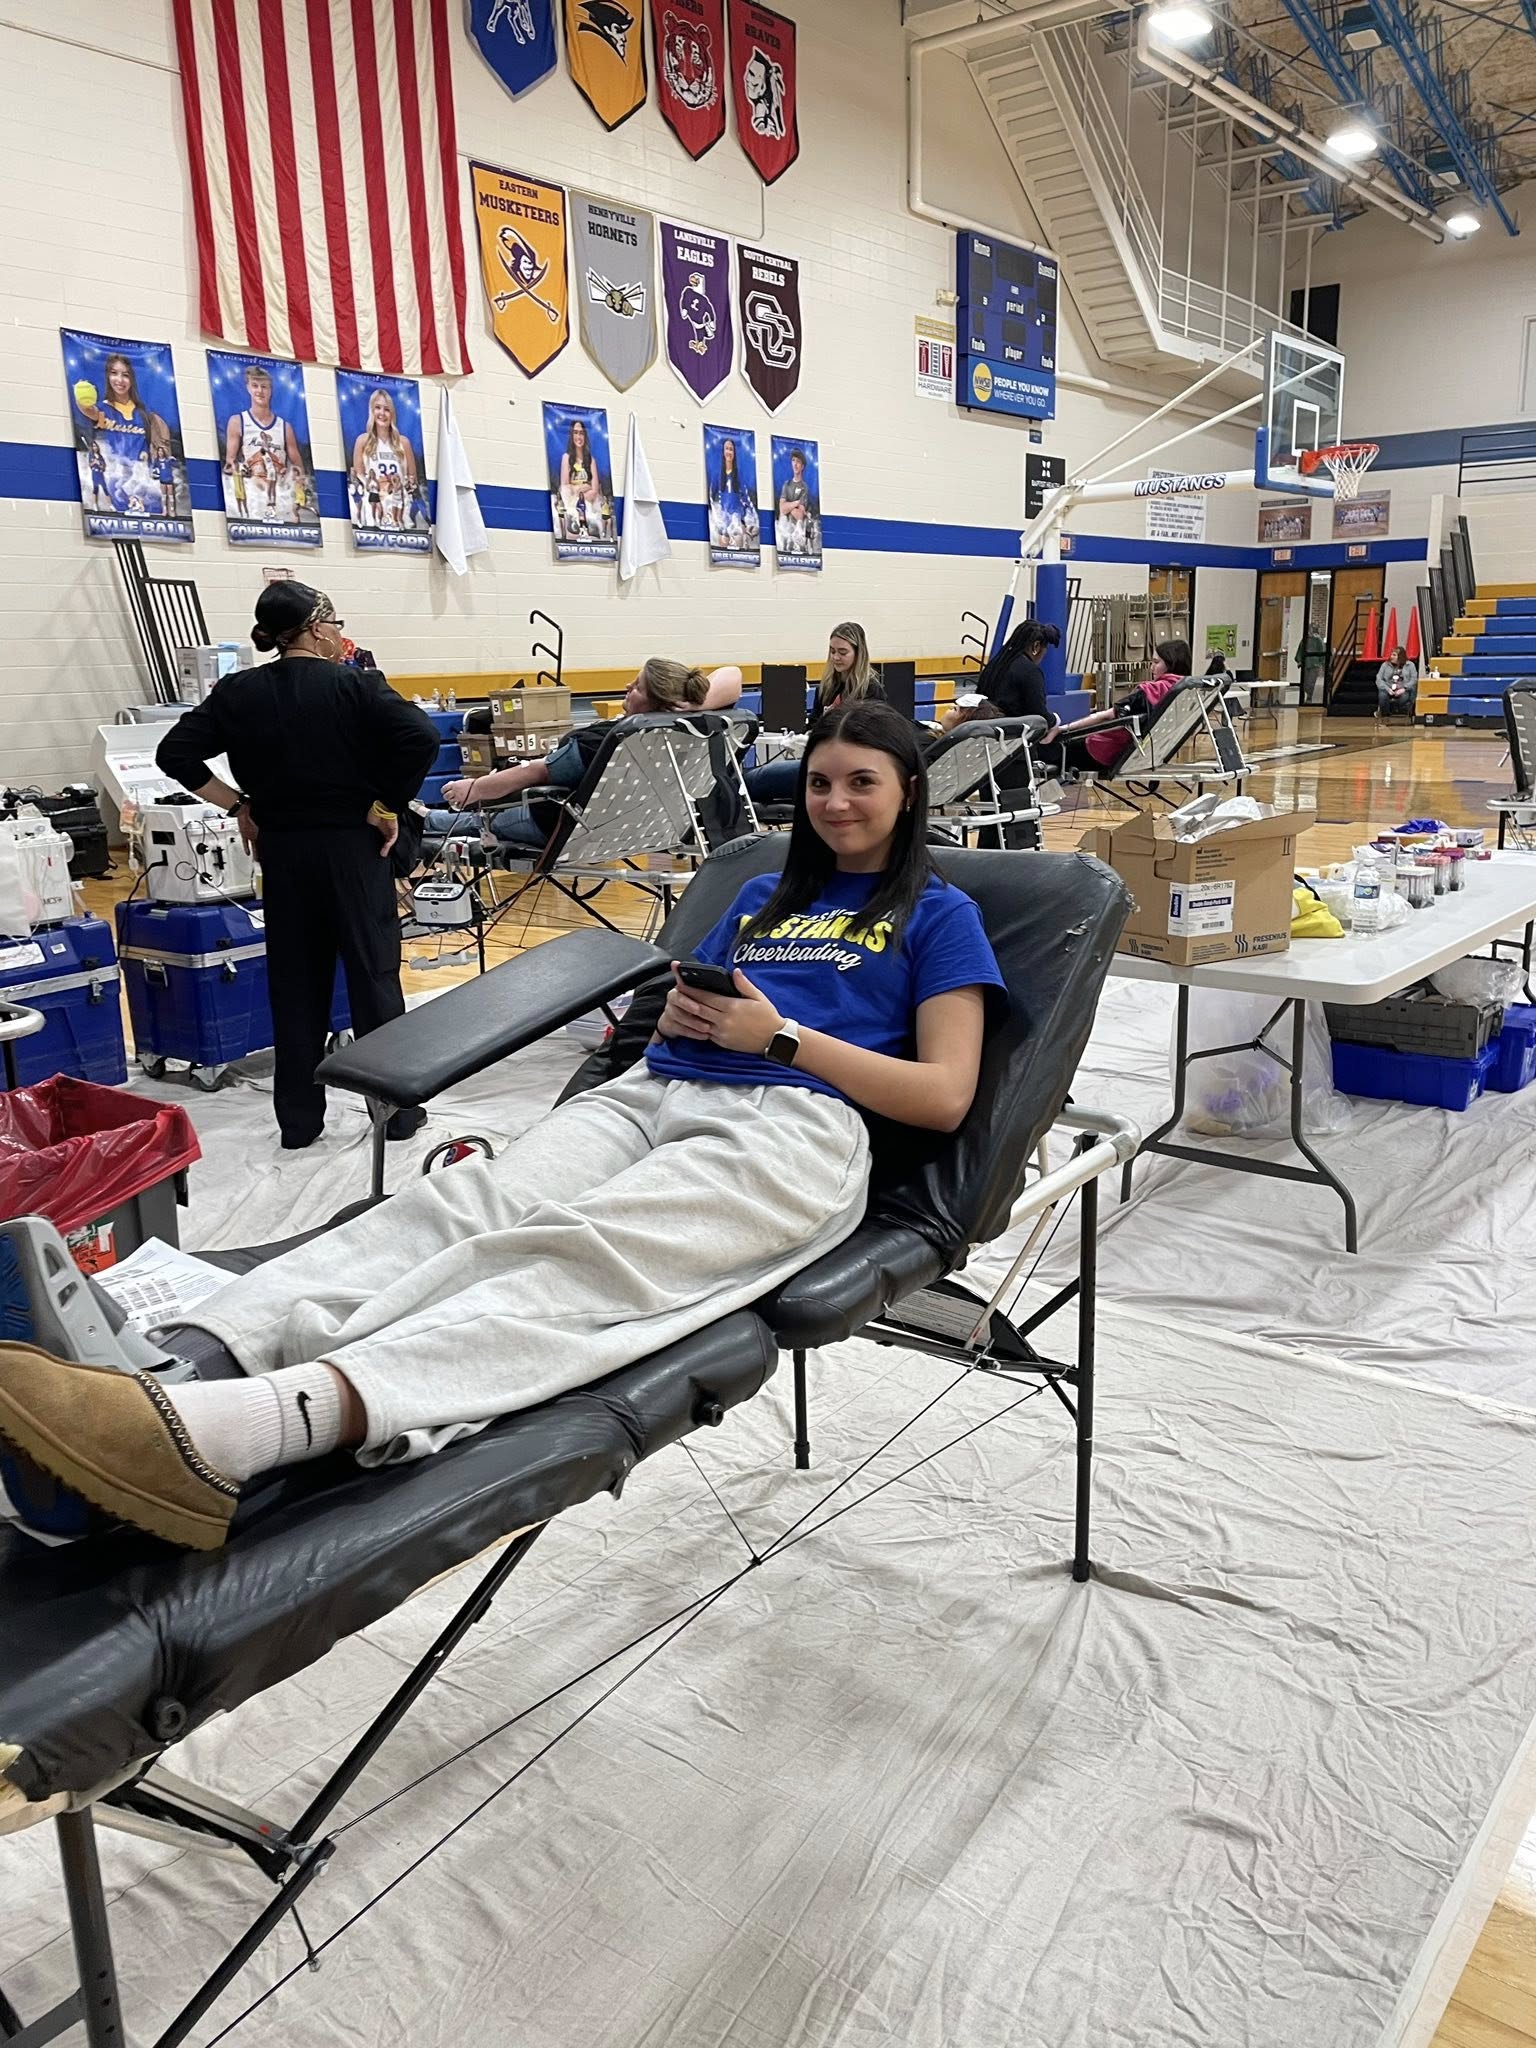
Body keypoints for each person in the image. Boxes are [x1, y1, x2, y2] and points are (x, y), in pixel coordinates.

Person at [0, 704, 1005, 1551]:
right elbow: (688, 997)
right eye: (820, 781)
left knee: (575, 1257)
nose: (833, 801)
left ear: (908, 790)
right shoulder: (758, 893)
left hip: (798, 1127)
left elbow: (944, 1095)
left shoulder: (939, 915)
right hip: (657, 1090)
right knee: (458, 1207)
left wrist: (779, 1037)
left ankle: (241, 1427)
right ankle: (184, 1356)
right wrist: (689, 1017)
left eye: (861, 783)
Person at [155, 581, 440, 1150]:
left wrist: (239, 806)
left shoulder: (238, 692)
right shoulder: (355, 684)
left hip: (283, 851)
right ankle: (396, 1114)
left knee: (295, 987)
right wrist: (385, 804)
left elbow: (174, 753)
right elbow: (422, 737)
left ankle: (299, 1123)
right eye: (334, 623)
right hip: (353, 850)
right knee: (373, 979)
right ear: (315, 628)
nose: (339, 633)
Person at [425, 660, 740, 848]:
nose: (627, 686)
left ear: (659, 702)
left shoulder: (602, 739)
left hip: (568, 830)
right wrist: (687, 707)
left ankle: (427, 820)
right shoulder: (690, 728)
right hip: (646, 828)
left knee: (480, 819)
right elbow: (733, 675)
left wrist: (474, 788)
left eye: (637, 687)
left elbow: (534, 773)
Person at [748, 626, 885, 806]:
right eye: (832, 651)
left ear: (858, 654)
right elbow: (814, 724)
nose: (835, 657)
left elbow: (871, 738)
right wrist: (805, 738)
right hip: (821, 763)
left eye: (842, 652)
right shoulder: (826, 687)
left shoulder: (871, 690)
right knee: (751, 778)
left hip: (846, 768)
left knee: (755, 780)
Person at [1035, 638, 1190, 778]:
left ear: (1171, 663)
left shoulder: (1149, 691)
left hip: (1104, 752)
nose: (1151, 668)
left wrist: (1063, 728)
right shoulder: (1185, 691)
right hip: (1143, 754)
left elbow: (1105, 716)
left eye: (1156, 662)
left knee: (1042, 750)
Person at [76, 352, 171, 512]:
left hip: (143, 483)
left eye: (125, 375)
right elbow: (89, 410)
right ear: (108, 376)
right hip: (114, 482)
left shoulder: (145, 413)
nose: (119, 380)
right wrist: (82, 398)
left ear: (132, 379)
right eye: (114, 373)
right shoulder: (103, 409)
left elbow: (163, 445)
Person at [223, 365, 306, 524]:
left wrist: (298, 497)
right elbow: (230, 462)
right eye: (255, 386)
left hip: (279, 493)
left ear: (271, 390)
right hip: (252, 492)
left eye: (264, 387)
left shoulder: (284, 427)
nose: (259, 391)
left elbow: (298, 468)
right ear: (248, 388)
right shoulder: (238, 421)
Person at [351, 388, 418, 530]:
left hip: (398, 504)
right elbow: (358, 475)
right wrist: (374, 486)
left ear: (392, 413)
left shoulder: (403, 443)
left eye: (387, 409)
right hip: (374, 502)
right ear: (372, 411)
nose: (382, 413)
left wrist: (400, 487)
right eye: (378, 408)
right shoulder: (362, 441)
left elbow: (412, 478)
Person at [710, 436, 755, 551]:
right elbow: (711, 497)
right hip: (723, 518)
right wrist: (717, 516)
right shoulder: (717, 474)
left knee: (738, 550)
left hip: (737, 517)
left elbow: (746, 497)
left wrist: (749, 517)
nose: (729, 452)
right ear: (723, 451)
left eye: (731, 449)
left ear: (734, 453)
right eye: (727, 449)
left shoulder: (739, 474)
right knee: (722, 551)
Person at [1377, 645, 1418, 716]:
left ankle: (1395, 710)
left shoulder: (1410, 665)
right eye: (1391, 655)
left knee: (1404, 697)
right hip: (1388, 688)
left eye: (1394, 655)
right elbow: (1379, 679)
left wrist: (1404, 689)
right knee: (1382, 695)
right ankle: (1385, 714)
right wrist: (1388, 689)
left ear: (1400, 656)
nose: (1391, 657)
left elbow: (1414, 680)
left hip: (1403, 689)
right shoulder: (1385, 665)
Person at [1296, 629, 1328, 706]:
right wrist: (1299, 661)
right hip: (1306, 664)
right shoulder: (1304, 640)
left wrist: (1322, 663)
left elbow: (1322, 651)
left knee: (1311, 682)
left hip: (1314, 665)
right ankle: (1306, 696)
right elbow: (1300, 650)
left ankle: (1309, 697)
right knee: (1305, 682)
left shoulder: (1318, 640)